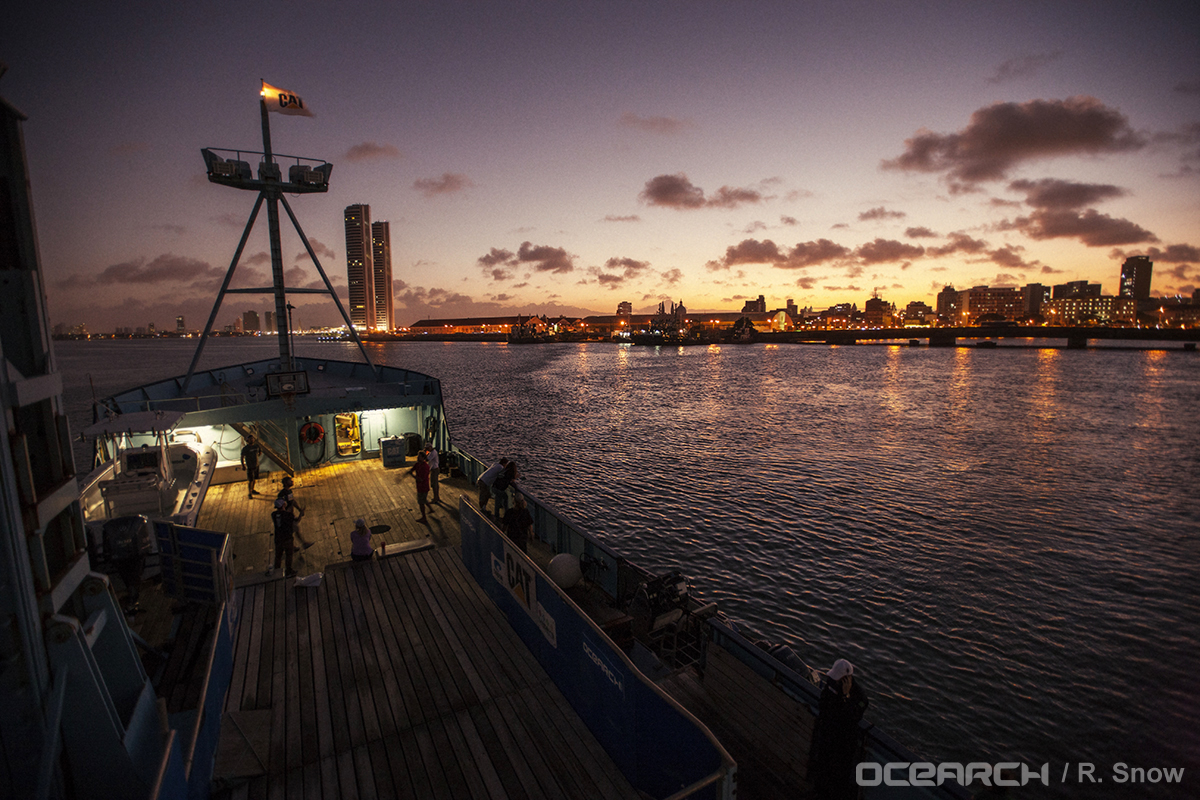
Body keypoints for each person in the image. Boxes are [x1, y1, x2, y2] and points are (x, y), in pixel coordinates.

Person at [808, 658, 869, 800]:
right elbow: (824, 704)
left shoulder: (859, 696)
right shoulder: (831, 684)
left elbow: (853, 716)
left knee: (838, 776)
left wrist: (845, 697)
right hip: (828, 734)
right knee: (822, 767)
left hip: (844, 742)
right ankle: (819, 792)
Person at [276, 476, 314, 549]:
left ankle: (292, 546)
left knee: (292, 530)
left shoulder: (289, 491)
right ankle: (302, 543)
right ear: (286, 483)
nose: (292, 482)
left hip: (290, 515)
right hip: (286, 516)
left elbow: (292, 501)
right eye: (290, 481)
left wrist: (299, 509)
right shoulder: (282, 494)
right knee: (294, 529)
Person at [268, 496, 297, 577]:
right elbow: (295, 520)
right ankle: (288, 570)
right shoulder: (289, 515)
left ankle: (277, 571)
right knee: (289, 555)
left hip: (278, 539)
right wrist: (300, 514)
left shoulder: (273, 514)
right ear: (283, 505)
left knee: (278, 556)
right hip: (287, 538)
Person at [407, 450, 431, 522]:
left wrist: (412, 475)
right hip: (420, 487)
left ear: (423, 458)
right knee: (424, 499)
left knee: (421, 502)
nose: (417, 458)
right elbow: (413, 469)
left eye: (419, 456)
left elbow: (421, 479)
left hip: (424, 487)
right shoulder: (417, 464)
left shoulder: (425, 467)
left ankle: (424, 517)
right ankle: (431, 509)